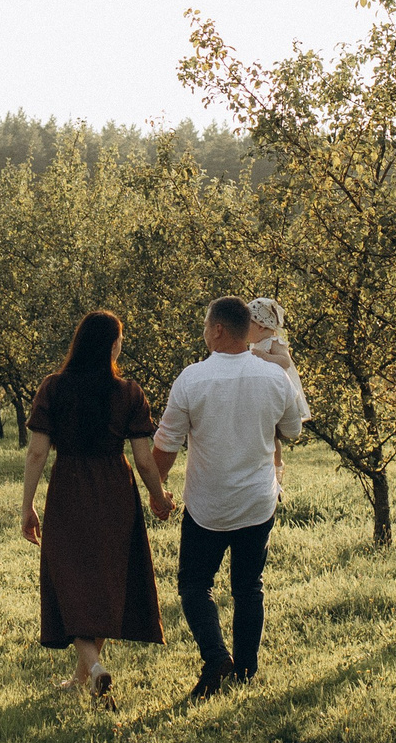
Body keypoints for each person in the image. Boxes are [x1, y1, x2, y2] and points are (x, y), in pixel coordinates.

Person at [152, 295, 306, 701]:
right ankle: (246, 671)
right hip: (257, 501)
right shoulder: (276, 378)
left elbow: (167, 442)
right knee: (248, 586)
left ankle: (216, 657)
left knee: (193, 584)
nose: (204, 332)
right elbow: (292, 431)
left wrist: (156, 490)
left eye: (205, 325)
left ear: (218, 329)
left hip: (208, 502)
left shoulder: (191, 379)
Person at [21, 310, 177, 705]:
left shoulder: (52, 388)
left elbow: (38, 452)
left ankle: (90, 670)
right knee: (106, 582)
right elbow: (144, 460)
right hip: (114, 492)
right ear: (111, 345)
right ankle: (88, 673)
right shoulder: (129, 392)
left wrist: (28, 506)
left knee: (68, 581)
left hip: (69, 490)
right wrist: (159, 499)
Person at [244, 296, 308, 494]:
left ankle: (277, 464)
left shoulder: (273, 340)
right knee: (268, 431)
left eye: (249, 325)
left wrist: (266, 357)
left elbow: (285, 362)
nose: (245, 330)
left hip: (279, 389)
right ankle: (269, 465)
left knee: (273, 432)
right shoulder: (256, 343)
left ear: (261, 326)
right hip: (263, 388)